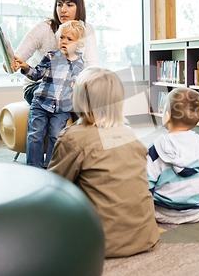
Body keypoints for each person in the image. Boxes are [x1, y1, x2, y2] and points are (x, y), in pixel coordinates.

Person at [48, 67, 160, 258]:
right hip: (145, 236)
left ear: (79, 98)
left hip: (100, 242)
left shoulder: (74, 138)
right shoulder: (130, 134)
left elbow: (53, 187)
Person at [14, 20, 86, 169]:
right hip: (40, 103)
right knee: (35, 135)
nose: (64, 41)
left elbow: (80, 85)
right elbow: (36, 74)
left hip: (61, 108)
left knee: (56, 135)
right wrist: (26, 67)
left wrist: (77, 86)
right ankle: (34, 168)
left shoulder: (80, 64)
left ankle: (52, 167)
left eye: (69, 39)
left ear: (79, 44)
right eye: (62, 38)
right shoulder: (51, 56)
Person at [14, 0, 98, 104]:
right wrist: (12, 63)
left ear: (79, 8)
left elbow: (91, 66)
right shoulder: (44, 28)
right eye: (59, 5)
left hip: (70, 86)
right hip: (38, 85)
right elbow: (18, 56)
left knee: (91, 96)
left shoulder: (87, 29)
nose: (63, 10)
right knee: (62, 95)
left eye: (69, 5)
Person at [147, 88, 199, 224]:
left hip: (161, 212)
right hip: (196, 212)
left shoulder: (156, 148)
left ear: (167, 116)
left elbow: (146, 184)